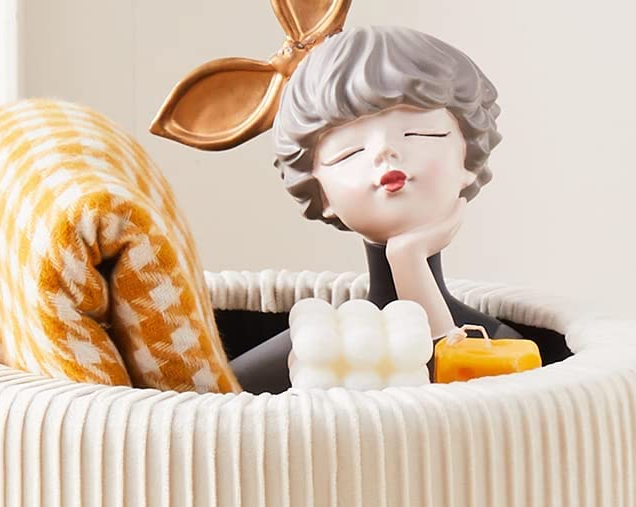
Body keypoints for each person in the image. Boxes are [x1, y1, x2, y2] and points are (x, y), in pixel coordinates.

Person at [155, 22, 519, 393]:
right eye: (350, 151)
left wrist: (409, 262)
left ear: (469, 158)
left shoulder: (501, 345)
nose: (385, 151)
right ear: (321, 194)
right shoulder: (314, 347)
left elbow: (460, 405)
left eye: (419, 132)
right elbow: (203, 406)